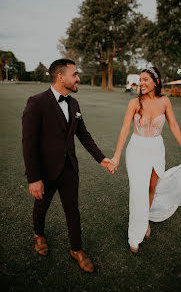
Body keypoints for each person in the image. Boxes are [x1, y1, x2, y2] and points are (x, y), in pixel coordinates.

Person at [22, 59, 114, 273]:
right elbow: (28, 144)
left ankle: (76, 249)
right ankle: (39, 235)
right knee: (41, 207)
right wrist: (33, 178)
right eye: (75, 74)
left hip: (69, 169)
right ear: (60, 77)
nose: (78, 78)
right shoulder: (36, 103)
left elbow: (83, 134)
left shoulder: (73, 104)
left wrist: (101, 158)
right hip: (44, 171)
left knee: (73, 210)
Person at [109, 67, 181, 253]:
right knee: (137, 191)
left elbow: (173, 124)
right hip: (137, 149)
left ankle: (145, 220)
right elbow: (125, 129)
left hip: (157, 149)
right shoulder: (134, 103)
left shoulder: (165, 101)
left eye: (145, 80)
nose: (141, 83)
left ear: (156, 82)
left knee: (151, 187)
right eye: (140, 80)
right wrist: (116, 156)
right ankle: (135, 234)